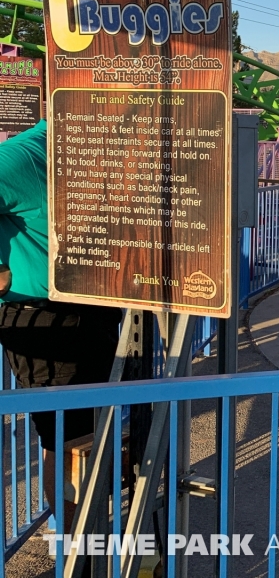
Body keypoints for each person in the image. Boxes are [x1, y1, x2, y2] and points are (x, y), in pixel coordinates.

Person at [0, 119, 120, 521]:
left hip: (93, 309)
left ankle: (86, 541)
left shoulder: (96, 144)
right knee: (72, 440)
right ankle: (76, 554)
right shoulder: (23, 156)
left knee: (91, 435)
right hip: (48, 319)